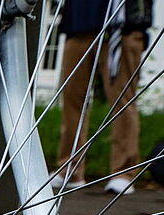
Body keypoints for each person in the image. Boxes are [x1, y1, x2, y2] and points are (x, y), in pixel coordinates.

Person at [53, 0, 153, 195]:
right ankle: (69, 169)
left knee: (122, 100)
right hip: (78, 24)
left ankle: (123, 173)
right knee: (72, 99)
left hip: (123, 27)